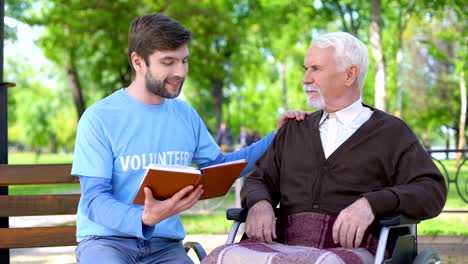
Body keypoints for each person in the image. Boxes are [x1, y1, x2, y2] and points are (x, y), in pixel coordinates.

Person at [71, 13, 307, 264]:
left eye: (184, 61)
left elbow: (220, 168)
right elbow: (95, 200)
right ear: (138, 62)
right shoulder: (99, 118)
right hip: (107, 244)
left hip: (165, 247)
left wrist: (277, 136)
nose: (180, 72)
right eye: (168, 62)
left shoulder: (185, 115)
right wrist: (144, 218)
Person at [204, 32, 447, 263]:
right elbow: (258, 179)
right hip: (283, 241)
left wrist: (372, 203)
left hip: (354, 246)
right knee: (220, 256)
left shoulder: (391, 132)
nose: (305, 78)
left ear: (349, 75)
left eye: (316, 69)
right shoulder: (294, 129)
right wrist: (259, 203)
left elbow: (432, 190)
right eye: (305, 69)